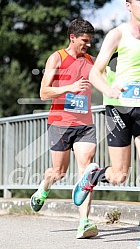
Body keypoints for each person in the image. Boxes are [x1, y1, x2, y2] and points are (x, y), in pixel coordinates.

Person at [72, 0, 140, 248]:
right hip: (119, 108)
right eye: (139, 0)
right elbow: (95, 72)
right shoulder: (117, 35)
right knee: (120, 175)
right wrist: (110, 90)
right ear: (128, 6)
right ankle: (96, 174)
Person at [30, 18, 98, 239]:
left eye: (90, 41)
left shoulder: (91, 61)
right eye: (84, 41)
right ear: (72, 37)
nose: (88, 45)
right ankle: (44, 187)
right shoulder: (57, 58)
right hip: (59, 123)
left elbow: (109, 78)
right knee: (59, 172)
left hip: (84, 124)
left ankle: (84, 222)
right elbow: (44, 92)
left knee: (87, 171)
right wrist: (71, 87)